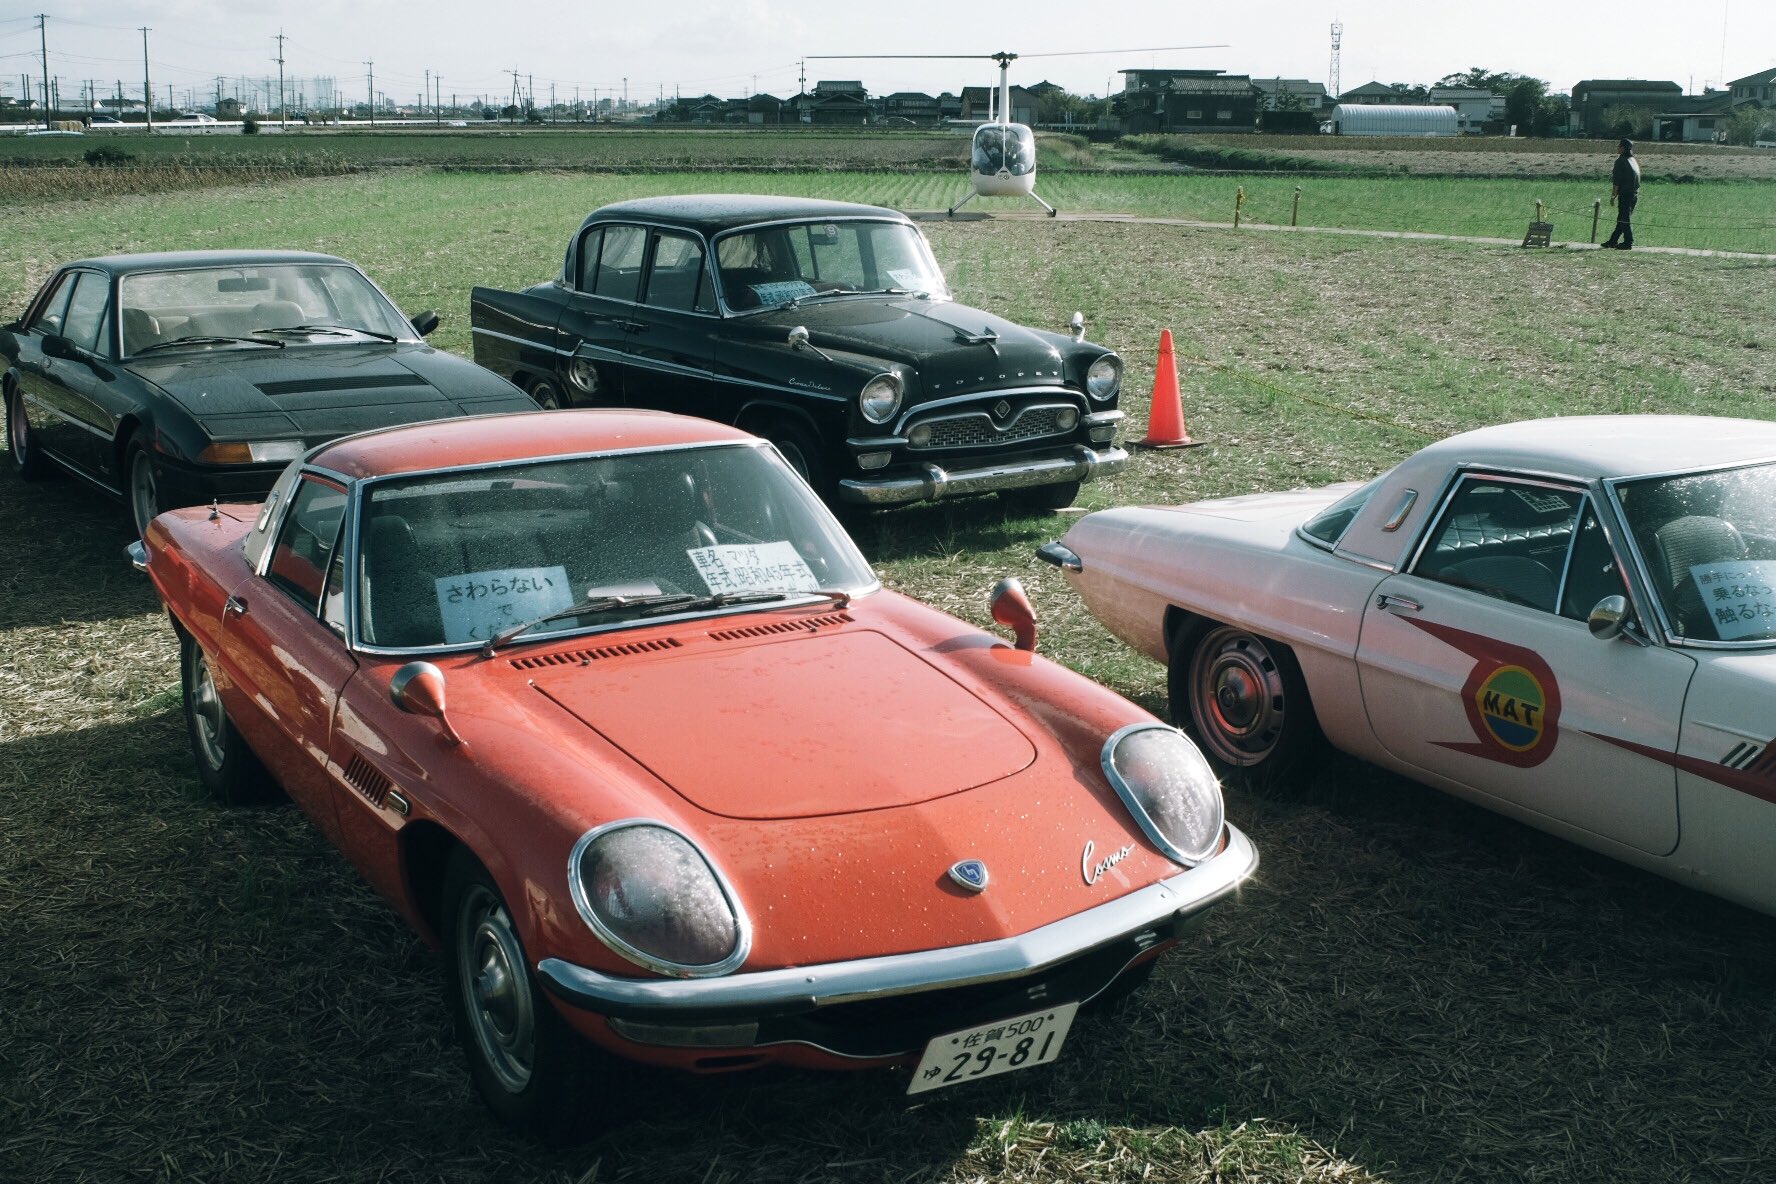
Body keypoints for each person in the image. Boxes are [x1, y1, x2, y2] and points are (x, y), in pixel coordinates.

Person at [1602, 138, 1641, 250]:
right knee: (1622, 219)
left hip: (1625, 194)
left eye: (1619, 146)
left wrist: (1613, 196)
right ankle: (1612, 241)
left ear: (1623, 148)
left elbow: (1616, 181)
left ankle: (1628, 242)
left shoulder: (1620, 161)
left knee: (1624, 219)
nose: (1617, 147)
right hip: (1634, 194)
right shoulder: (1633, 160)